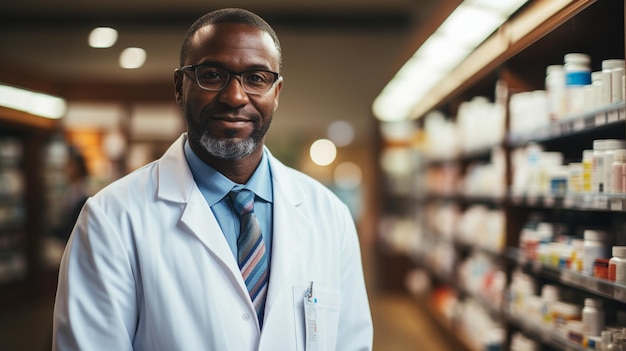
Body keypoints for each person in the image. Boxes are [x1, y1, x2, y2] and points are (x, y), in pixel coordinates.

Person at [53, 7, 373, 351]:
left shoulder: (330, 216)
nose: (235, 97)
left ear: (276, 93)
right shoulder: (111, 219)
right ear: (180, 86)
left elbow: (350, 343)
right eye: (212, 75)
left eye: (256, 78)